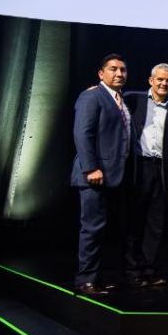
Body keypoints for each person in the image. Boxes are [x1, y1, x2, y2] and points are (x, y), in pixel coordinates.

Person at [71, 54, 132, 295]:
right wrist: (90, 168)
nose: (119, 74)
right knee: (92, 228)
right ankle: (85, 280)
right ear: (101, 73)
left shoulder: (120, 99)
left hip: (114, 175)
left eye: (123, 70)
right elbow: (82, 133)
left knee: (105, 229)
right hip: (94, 174)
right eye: (113, 69)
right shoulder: (91, 96)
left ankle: (96, 278)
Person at [122, 63, 168, 287]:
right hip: (138, 168)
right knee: (134, 221)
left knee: (156, 223)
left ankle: (149, 270)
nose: (163, 83)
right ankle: (132, 271)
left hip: (162, 171)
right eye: (159, 79)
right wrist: (95, 89)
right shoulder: (133, 99)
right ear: (151, 80)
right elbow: (110, 98)